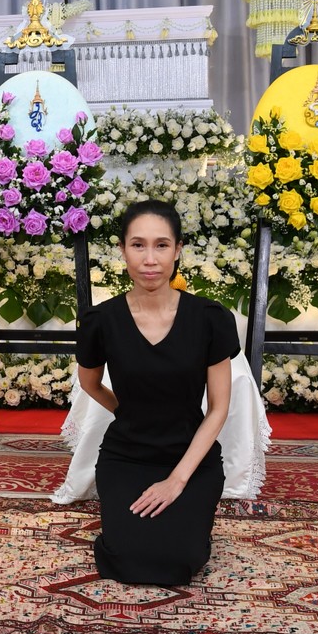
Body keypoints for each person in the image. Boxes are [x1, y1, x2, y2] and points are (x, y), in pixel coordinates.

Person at [74, 199, 239, 586]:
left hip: (190, 461)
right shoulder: (100, 321)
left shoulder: (211, 318)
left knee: (182, 561)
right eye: (138, 245)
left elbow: (219, 408)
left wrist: (177, 480)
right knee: (127, 560)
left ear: (178, 250)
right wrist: (128, 413)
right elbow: (90, 383)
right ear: (122, 250)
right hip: (126, 457)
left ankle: (186, 526)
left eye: (162, 245)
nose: (150, 259)